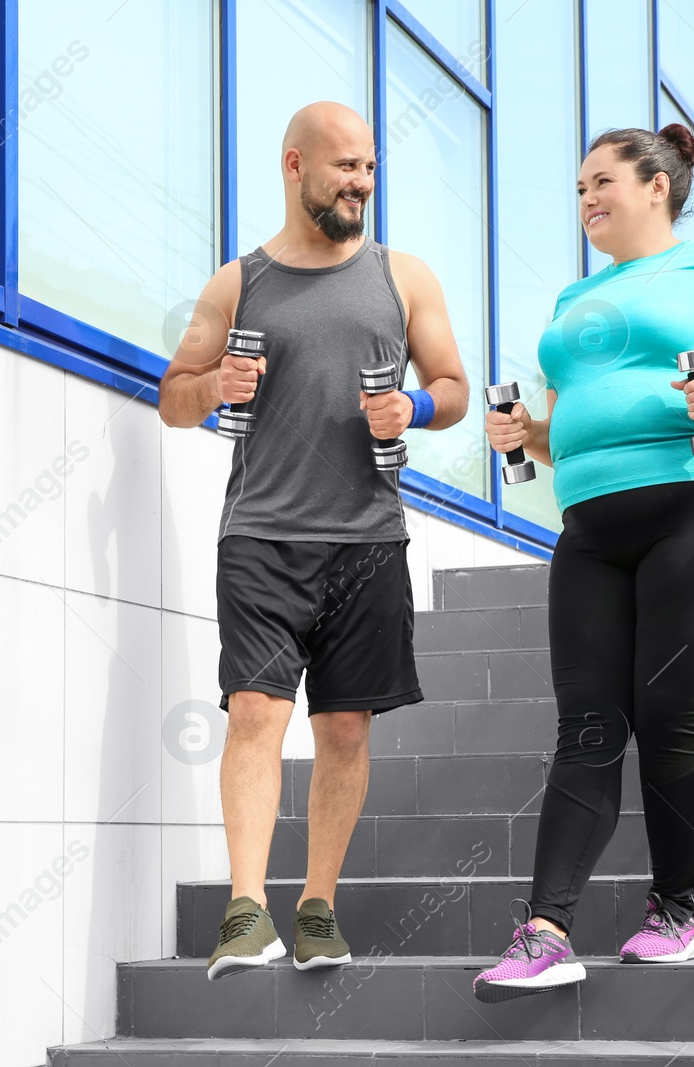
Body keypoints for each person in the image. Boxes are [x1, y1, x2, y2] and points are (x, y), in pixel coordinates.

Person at [473, 123, 694, 1002]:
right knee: (586, 725)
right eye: (579, 189)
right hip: (590, 522)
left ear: (657, 186)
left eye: (601, 183)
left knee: (667, 711)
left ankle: (675, 911)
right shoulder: (572, 301)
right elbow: (573, 422)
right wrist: (529, 436)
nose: (586, 200)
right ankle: (545, 931)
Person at [159, 101, 470, 981]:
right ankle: (245, 909)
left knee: (343, 731)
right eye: (345, 167)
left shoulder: (402, 276)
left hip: (368, 536)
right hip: (261, 532)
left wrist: (412, 405)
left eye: (369, 168)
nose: (360, 183)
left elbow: (451, 384)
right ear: (295, 166)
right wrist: (212, 381)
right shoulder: (238, 282)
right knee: (255, 711)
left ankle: (317, 906)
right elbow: (172, 398)